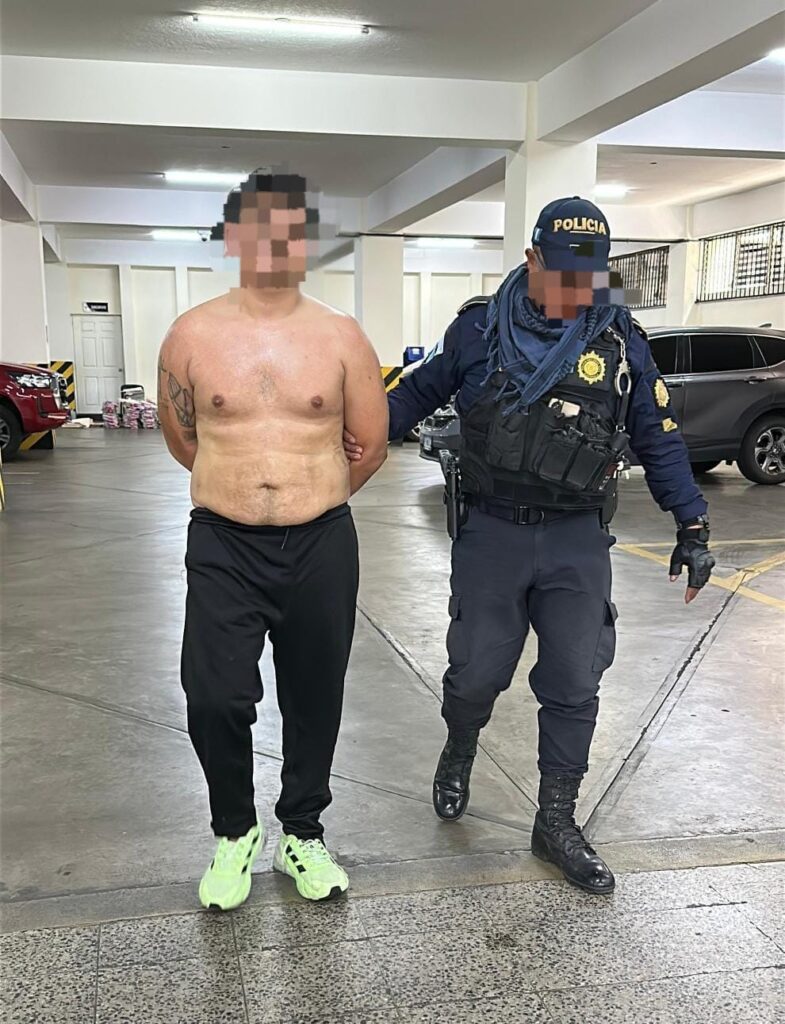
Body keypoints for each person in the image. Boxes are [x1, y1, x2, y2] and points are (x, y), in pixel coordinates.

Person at [345, 196, 714, 894]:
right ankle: (460, 745)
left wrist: (691, 525)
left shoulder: (619, 340)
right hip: (493, 532)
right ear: (531, 259)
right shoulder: (479, 329)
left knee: (575, 679)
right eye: (563, 270)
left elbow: (658, 436)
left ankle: (556, 821)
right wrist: (336, 436)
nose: (578, 286)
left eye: (591, 272)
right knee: (476, 672)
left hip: (577, 537)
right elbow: (409, 400)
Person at [158, 170, 389, 907]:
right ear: (234, 238)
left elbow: (370, 445)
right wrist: (241, 488)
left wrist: (306, 494)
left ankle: (302, 834)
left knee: (315, 695)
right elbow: (182, 437)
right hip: (222, 543)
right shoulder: (191, 334)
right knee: (213, 695)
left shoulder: (341, 335)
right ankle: (235, 832)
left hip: (321, 542)